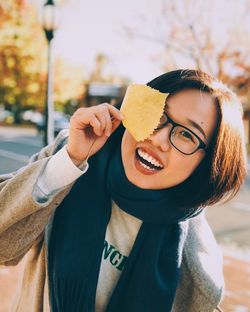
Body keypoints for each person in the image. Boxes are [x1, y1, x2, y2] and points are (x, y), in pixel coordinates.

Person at [0, 69, 247, 312]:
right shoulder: (73, 153)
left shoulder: (199, 273)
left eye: (186, 135)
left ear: (208, 163)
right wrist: (69, 162)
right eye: (157, 115)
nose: (158, 138)